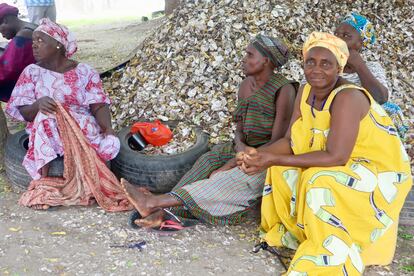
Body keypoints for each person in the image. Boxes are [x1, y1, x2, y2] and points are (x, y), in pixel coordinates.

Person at [238, 32, 412, 275]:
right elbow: (290, 141)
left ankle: (331, 251)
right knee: (279, 170)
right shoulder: (305, 91)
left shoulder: (348, 97)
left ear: (339, 67)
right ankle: (305, 234)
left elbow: (336, 157)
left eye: (326, 64)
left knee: (318, 179)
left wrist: (272, 157)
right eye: (310, 62)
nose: (316, 69)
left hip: (377, 170)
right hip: (338, 159)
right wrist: (258, 156)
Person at [122, 34, 298, 228]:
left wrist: (233, 163)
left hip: (264, 154)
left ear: (266, 60)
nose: (244, 59)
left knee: (221, 178)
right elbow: (239, 129)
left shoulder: (284, 90)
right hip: (240, 148)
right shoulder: (246, 85)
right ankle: (162, 210)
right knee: (207, 162)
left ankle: (161, 209)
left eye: (250, 55)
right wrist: (238, 150)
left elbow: (278, 140)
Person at [6, 18, 131, 212]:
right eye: (33, 42)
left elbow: (98, 105)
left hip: (81, 125)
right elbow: (23, 112)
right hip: (47, 130)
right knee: (46, 118)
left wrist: (108, 129)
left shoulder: (85, 71)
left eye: (40, 40)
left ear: (58, 44)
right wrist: (38, 105)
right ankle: (44, 180)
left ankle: (91, 180)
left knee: (106, 141)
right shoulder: (31, 72)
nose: (35, 46)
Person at [334, 12, 408, 139]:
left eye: (346, 36)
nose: (338, 40)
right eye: (336, 34)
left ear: (361, 44)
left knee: (391, 110)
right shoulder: (324, 64)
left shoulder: (371, 67)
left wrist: (359, 65)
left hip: (364, 124)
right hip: (333, 118)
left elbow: (381, 98)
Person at [0, 3, 36, 103]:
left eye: (0, 30)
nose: (2, 35)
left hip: (36, 85)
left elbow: (9, 69)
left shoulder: (24, 35)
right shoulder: (34, 27)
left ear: (5, 20)